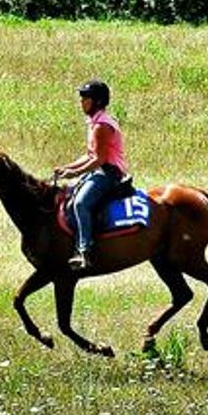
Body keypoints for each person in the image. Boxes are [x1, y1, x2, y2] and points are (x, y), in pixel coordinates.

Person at [53, 79, 127, 271]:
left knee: (81, 203)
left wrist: (75, 172)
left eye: (86, 98)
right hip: (99, 170)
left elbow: (99, 159)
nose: (82, 102)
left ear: (98, 101)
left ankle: (84, 250)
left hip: (109, 173)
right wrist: (67, 168)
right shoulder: (94, 122)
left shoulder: (102, 125)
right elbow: (89, 155)